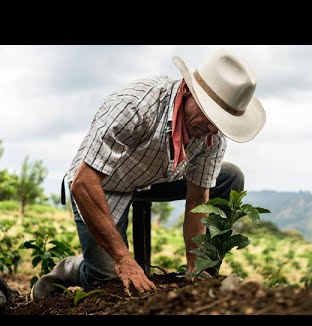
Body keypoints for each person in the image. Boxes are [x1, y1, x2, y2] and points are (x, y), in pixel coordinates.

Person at [31, 48, 266, 302]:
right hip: (104, 183)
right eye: (210, 117)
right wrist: (123, 258)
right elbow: (84, 183)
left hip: (155, 178)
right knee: (106, 280)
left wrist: (195, 268)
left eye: (220, 123)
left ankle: (206, 271)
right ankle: (71, 268)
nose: (212, 129)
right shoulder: (135, 106)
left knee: (230, 177)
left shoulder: (212, 134)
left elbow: (198, 199)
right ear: (188, 92)